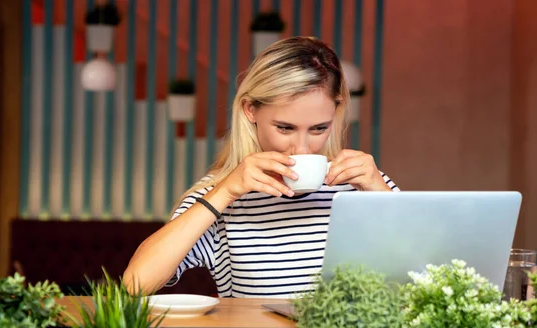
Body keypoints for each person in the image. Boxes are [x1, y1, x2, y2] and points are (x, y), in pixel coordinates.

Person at [123, 36, 399, 298]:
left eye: (318, 128)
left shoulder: (365, 185)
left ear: (335, 113)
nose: (301, 148)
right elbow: (135, 284)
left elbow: (431, 281)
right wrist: (225, 192)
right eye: (285, 128)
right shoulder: (223, 196)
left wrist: (380, 193)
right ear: (250, 110)